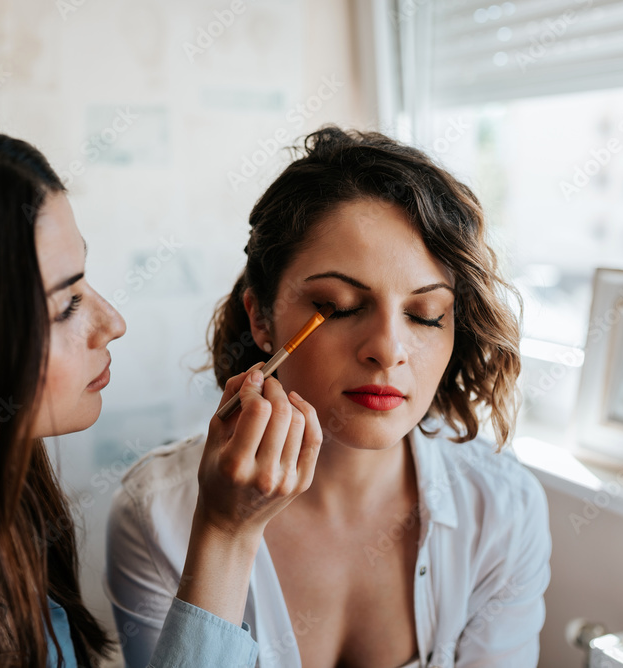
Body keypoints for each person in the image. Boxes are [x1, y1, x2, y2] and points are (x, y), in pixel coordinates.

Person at [0, 112, 320, 667]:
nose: (112, 322)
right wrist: (228, 535)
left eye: (427, 313)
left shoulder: (1, 528)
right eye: (65, 304)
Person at [106, 126, 553, 667]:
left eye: (425, 314)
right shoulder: (157, 512)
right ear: (262, 319)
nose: (388, 349)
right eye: (340, 306)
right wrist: (224, 535)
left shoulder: (501, 509)